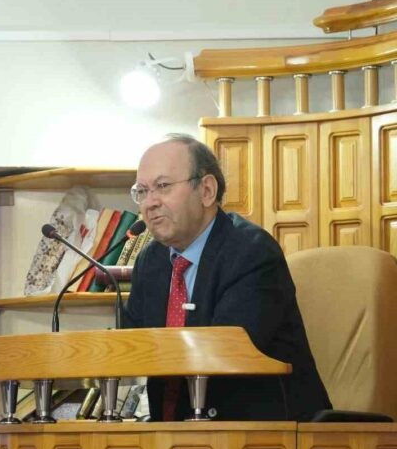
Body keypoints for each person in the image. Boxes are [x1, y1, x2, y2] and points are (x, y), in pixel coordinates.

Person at [123, 134, 332, 421]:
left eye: (162, 186)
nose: (150, 203)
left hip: (264, 438)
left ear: (207, 190)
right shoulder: (151, 261)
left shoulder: (251, 251)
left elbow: (224, 352)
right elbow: (129, 347)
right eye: (142, 191)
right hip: (172, 438)